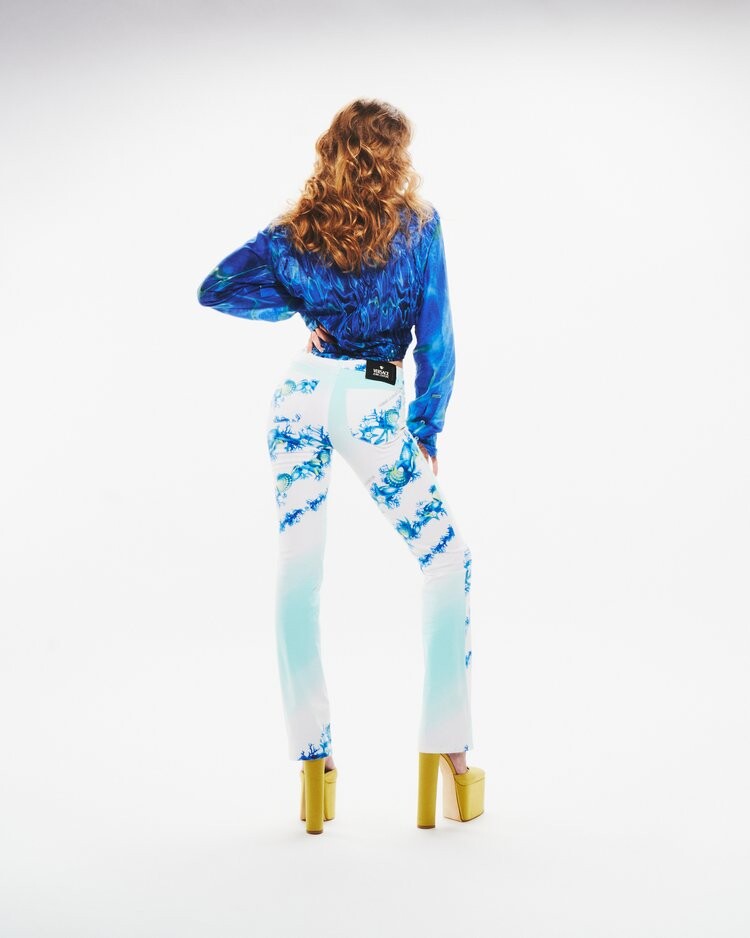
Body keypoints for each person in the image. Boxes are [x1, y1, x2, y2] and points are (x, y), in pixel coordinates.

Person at [197, 98, 485, 833]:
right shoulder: (419, 227)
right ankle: (448, 754)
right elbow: (438, 341)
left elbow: (216, 288)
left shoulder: (292, 233)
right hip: (371, 399)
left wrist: (303, 305)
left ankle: (313, 761)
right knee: (446, 559)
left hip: (299, 395)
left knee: (298, 573)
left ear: (330, 153)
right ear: (396, 158)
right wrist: (427, 427)